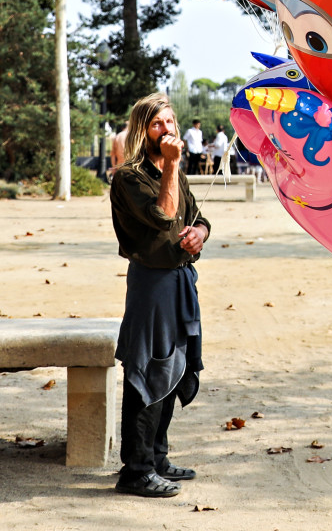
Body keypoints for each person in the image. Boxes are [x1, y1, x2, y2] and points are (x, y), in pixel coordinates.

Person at [110, 94, 211, 497]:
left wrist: (199, 234)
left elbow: (193, 217)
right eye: (157, 124)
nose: (167, 129)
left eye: (170, 122)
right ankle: (135, 471)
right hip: (151, 285)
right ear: (142, 130)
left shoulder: (174, 172)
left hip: (180, 282)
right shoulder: (129, 177)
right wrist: (171, 164)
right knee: (148, 371)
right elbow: (165, 214)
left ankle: (157, 457)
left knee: (175, 367)